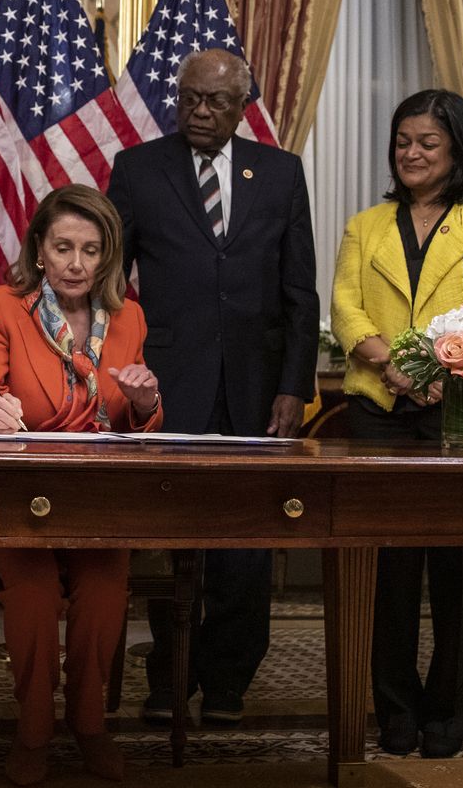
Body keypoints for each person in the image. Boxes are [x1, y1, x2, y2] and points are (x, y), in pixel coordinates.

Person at [106, 47, 318, 726]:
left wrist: (295, 384)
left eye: (214, 101)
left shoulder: (280, 174)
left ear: (242, 105)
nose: (198, 111)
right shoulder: (139, 169)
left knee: (245, 545)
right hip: (168, 388)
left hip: (258, 390)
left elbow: (299, 290)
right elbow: (112, 282)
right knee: (173, 540)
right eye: (189, 98)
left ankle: (228, 681)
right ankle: (169, 678)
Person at [329, 88, 463, 759]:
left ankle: (450, 708)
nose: (411, 154)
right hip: (378, 409)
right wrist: (393, 364)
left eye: (427, 143)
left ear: (458, 148)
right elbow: (346, 308)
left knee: (458, 569)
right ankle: (394, 707)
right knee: (386, 569)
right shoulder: (366, 224)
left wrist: (436, 369)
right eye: (403, 142)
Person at [0, 185, 163, 786]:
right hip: (20, 490)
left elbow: (131, 420)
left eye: (91, 250)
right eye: (63, 247)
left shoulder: (129, 318)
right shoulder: (2, 306)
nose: (76, 263)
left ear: (107, 257)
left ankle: (89, 721)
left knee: (104, 589)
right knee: (36, 593)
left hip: (100, 494)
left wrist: (146, 402)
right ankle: (33, 728)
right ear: (39, 250)